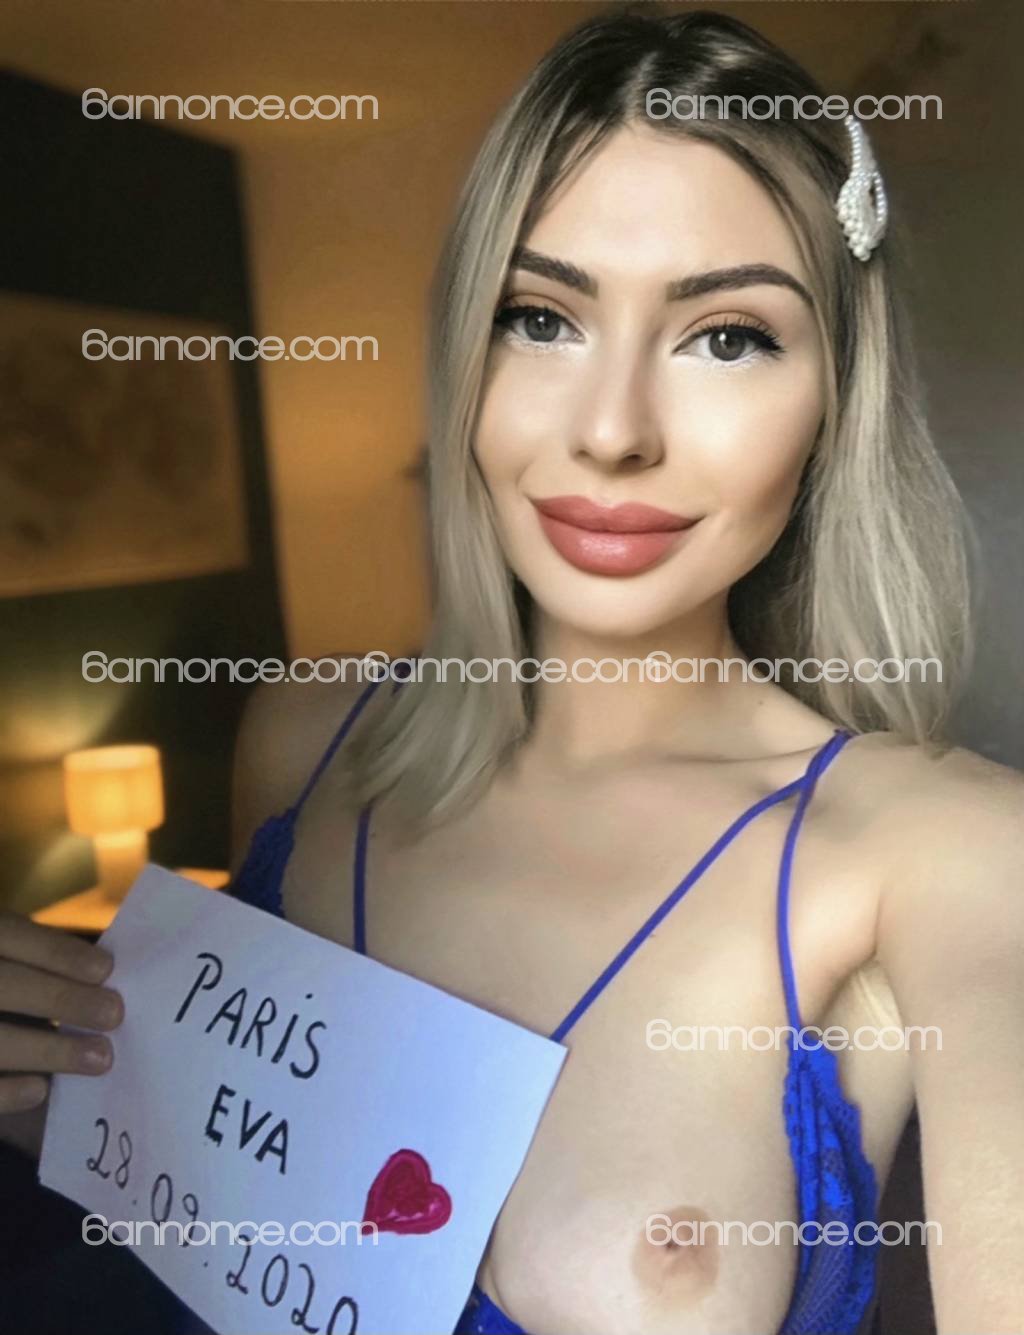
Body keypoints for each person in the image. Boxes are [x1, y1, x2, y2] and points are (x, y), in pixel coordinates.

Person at [2, 11, 1021, 1335]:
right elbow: (243, 1228)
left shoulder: (944, 854)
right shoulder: (303, 737)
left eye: (727, 336)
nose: (612, 432)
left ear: (837, 397)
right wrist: (68, 1097)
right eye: (540, 318)